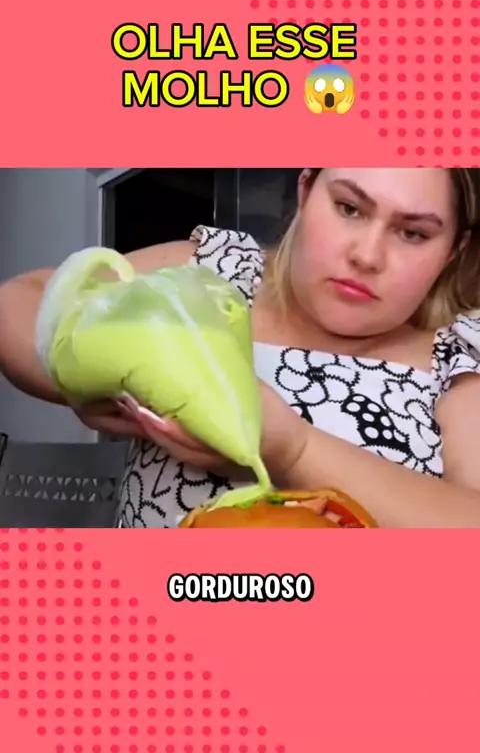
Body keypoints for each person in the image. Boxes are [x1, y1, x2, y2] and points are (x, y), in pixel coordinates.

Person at [1, 167, 480, 529]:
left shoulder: (457, 358)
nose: (367, 255)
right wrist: (82, 375)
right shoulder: (216, 270)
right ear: (306, 191)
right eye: (349, 208)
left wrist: (291, 450)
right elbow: (20, 302)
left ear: (452, 251)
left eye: (413, 233)